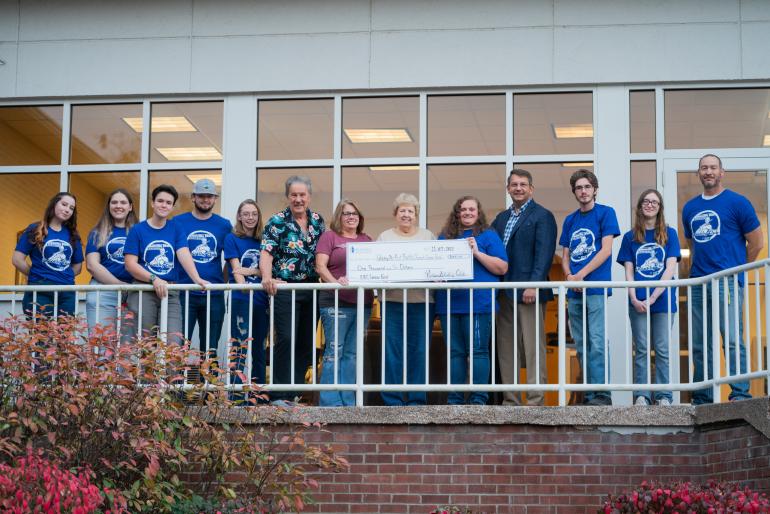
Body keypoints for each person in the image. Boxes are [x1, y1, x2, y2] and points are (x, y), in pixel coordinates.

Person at [682, 154, 763, 405]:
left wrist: (735, 269)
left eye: (713, 167)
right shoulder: (690, 208)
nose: (708, 172)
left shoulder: (737, 203)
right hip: (699, 284)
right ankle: (703, 395)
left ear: (722, 172)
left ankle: (739, 393)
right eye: (704, 168)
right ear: (699, 173)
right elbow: (692, 244)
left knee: (731, 338)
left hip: (726, 281)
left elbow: (757, 242)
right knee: (699, 342)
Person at [491, 168, 556, 406]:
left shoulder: (542, 215)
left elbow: (544, 254)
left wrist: (533, 285)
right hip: (504, 293)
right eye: (514, 184)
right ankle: (511, 400)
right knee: (506, 348)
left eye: (523, 184)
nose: (518, 188)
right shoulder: (501, 218)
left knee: (532, 347)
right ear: (508, 189)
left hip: (529, 291)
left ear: (531, 189)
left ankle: (535, 400)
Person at [435, 196, 508, 405]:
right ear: (457, 213)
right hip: (449, 303)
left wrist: (477, 253)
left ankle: (478, 398)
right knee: (455, 353)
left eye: (471, 209)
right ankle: (455, 399)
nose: (467, 212)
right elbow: (436, 266)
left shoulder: (488, 236)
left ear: (478, 212)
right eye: (463, 209)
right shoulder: (445, 237)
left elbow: (502, 267)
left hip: (478, 303)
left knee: (477, 351)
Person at [260, 176, 325, 405]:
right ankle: (279, 393)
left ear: (309, 196)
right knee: (286, 338)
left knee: (306, 342)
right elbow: (266, 252)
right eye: (294, 195)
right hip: (285, 288)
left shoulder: (318, 220)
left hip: (311, 288)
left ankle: (294, 392)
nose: (298, 199)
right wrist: (267, 278)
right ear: (288, 197)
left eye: (302, 195)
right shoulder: (277, 221)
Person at [560, 169, 620, 406]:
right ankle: (589, 392)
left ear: (595, 189)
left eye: (587, 187)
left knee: (596, 339)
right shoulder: (570, 220)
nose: (583, 191)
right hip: (575, 291)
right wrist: (569, 276)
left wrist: (581, 276)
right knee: (581, 343)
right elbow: (565, 254)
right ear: (574, 192)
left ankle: (602, 393)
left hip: (595, 288)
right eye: (579, 188)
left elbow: (606, 250)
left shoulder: (606, 213)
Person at [617, 189, 680, 406]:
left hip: (662, 301)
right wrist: (634, 298)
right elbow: (629, 271)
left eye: (654, 202)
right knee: (641, 348)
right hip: (638, 301)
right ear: (640, 206)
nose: (650, 205)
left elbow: (669, 269)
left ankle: (664, 395)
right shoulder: (630, 237)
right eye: (646, 201)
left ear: (660, 207)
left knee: (662, 349)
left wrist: (653, 297)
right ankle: (642, 395)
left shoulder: (670, 234)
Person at [123, 184, 206, 345]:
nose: (164, 205)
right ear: (153, 203)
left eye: (168, 202)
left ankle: (168, 372)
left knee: (173, 342)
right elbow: (130, 264)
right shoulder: (138, 230)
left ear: (172, 206)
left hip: (170, 291)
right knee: (145, 343)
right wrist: (154, 278)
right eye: (160, 201)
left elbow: (183, 253)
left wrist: (197, 278)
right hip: (144, 290)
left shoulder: (176, 228)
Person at [376, 193, 435, 406]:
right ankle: (392, 399)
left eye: (410, 211)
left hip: (422, 303)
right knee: (392, 351)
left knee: (419, 351)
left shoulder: (427, 236)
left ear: (416, 215)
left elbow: (436, 267)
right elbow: (375, 267)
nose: (406, 214)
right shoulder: (384, 237)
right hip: (392, 302)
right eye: (402, 210)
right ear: (395, 214)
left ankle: (417, 399)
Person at [315, 199, 374, 407]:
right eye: (346, 213)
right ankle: (330, 402)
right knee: (334, 351)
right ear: (339, 217)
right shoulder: (329, 237)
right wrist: (336, 285)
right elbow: (321, 267)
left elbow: (376, 268)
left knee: (352, 353)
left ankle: (348, 401)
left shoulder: (367, 240)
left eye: (355, 214)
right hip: (335, 302)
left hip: (362, 304)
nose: (351, 217)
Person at [174, 178, 233, 360]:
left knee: (210, 348)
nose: (205, 200)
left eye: (210, 196)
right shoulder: (178, 222)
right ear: (193, 197)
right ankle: (178, 388)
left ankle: (208, 387)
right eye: (201, 196)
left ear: (215, 199)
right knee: (180, 345)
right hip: (184, 293)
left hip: (213, 294)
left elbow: (231, 258)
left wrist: (220, 281)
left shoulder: (224, 225)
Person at [13, 192, 84, 318]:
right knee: (42, 336)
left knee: (65, 336)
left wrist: (60, 276)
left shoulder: (73, 235)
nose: (67, 210)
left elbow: (78, 267)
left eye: (71, 208)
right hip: (40, 290)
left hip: (66, 293)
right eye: (64, 204)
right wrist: (39, 274)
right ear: (54, 204)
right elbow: (17, 259)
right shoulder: (36, 228)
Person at [224, 199, 268, 401]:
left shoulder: (264, 240)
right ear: (239, 217)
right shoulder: (231, 239)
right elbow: (236, 271)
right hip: (241, 299)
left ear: (258, 217)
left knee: (259, 347)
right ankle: (237, 394)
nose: (250, 218)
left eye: (254, 214)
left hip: (261, 300)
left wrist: (252, 270)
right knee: (239, 346)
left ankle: (258, 394)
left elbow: (268, 271)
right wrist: (248, 281)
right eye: (246, 214)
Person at [85, 189, 138, 334]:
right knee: (101, 345)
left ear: (130, 207)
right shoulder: (98, 232)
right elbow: (92, 265)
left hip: (134, 293)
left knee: (130, 348)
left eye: (123, 202)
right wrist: (120, 285)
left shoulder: (140, 231)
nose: (118, 206)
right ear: (109, 206)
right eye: (114, 202)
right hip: (103, 292)